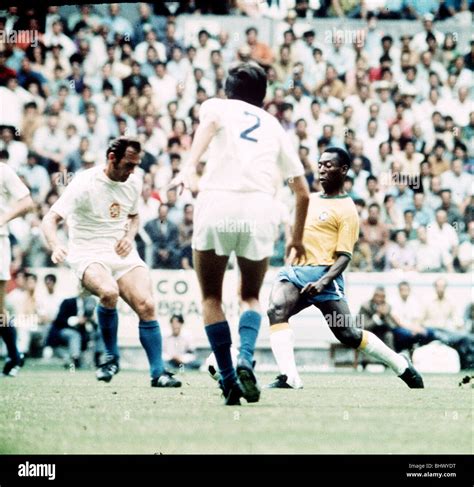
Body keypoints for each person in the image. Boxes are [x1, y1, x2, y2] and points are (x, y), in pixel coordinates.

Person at [171, 63, 310, 405]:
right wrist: (296, 238)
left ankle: (229, 378)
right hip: (259, 208)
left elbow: (211, 125)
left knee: (210, 298)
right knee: (249, 295)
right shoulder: (275, 125)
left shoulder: (217, 106)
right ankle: (246, 356)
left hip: (217, 201)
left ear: (227, 89)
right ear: (262, 97)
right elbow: (303, 192)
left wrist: (189, 165)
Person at [266, 147, 424, 390]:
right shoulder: (309, 199)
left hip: (325, 276)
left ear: (344, 170)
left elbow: (344, 257)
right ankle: (289, 377)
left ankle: (399, 363)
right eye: (320, 164)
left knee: (348, 334)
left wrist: (322, 282)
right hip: (296, 272)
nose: (322, 169)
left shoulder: (347, 208)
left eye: (328, 165)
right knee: (276, 310)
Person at [41, 137, 181, 388]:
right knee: (108, 292)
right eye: (128, 164)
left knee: (147, 305)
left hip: (120, 251)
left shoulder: (133, 182)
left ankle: (158, 373)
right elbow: (50, 219)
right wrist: (56, 245)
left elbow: (134, 216)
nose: (132, 171)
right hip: (88, 251)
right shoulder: (84, 183)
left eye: (136, 165)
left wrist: (129, 236)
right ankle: (110, 357)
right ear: (112, 158)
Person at [0, 162, 34, 376]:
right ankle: (14, 355)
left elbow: (27, 202)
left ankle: (14, 355)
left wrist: (2, 219)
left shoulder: (3, 170)